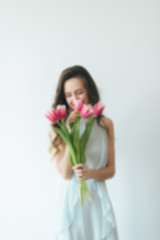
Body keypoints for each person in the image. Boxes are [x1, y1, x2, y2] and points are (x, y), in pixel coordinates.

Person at [48, 65, 119, 240]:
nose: (74, 100)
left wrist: (91, 173)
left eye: (79, 92)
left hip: (96, 198)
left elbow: (111, 170)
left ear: (89, 91)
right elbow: (65, 174)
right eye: (68, 95)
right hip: (70, 200)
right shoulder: (58, 126)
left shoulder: (105, 124)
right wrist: (70, 132)